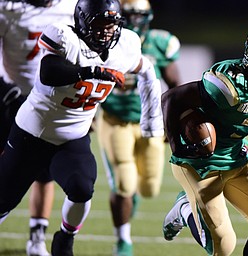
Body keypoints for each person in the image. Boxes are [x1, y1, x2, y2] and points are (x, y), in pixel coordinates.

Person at [0, 0, 163, 254]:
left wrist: (152, 120)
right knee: (4, 199)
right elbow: (49, 72)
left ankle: (65, 236)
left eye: (111, 25)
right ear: (82, 21)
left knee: (82, 189)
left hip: (73, 137)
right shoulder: (64, 36)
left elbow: (147, 70)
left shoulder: (125, 47)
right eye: (99, 24)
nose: (105, 31)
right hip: (32, 134)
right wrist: (92, 71)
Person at [161, 20, 248, 256]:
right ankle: (185, 208)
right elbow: (171, 98)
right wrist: (176, 146)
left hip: (237, 160)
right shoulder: (229, 83)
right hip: (199, 163)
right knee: (223, 246)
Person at [95, 0, 180, 255]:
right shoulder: (103, 39)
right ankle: (123, 240)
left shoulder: (159, 42)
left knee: (149, 187)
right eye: (129, 15)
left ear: (148, 16)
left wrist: (172, 122)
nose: (133, 21)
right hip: (115, 119)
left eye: (139, 15)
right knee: (123, 183)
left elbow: (175, 85)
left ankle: (131, 195)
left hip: (149, 123)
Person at [0, 0, 77, 255]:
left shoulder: (72, 6)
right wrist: (4, 88)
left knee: (45, 174)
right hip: (11, 98)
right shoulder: (8, 9)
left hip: (48, 104)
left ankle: (36, 237)